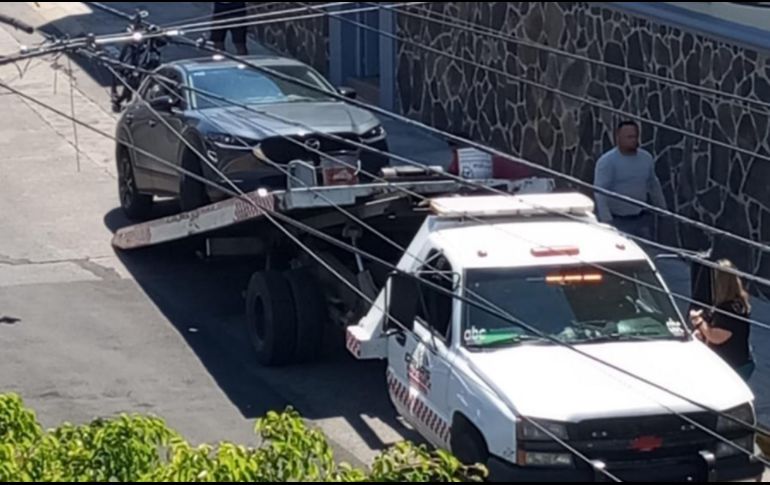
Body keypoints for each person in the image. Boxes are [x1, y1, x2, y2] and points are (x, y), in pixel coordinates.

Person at [594, 121, 667, 240]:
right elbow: (600, 193)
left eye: (635, 136)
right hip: (617, 219)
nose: (633, 140)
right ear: (618, 138)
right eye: (629, 137)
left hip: (641, 217)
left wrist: (662, 208)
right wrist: (607, 221)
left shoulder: (646, 158)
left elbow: (653, 184)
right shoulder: (607, 162)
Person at [690, 260, 755, 382]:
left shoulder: (729, 309)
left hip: (734, 366)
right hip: (741, 361)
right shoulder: (738, 302)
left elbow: (716, 337)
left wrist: (698, 321)